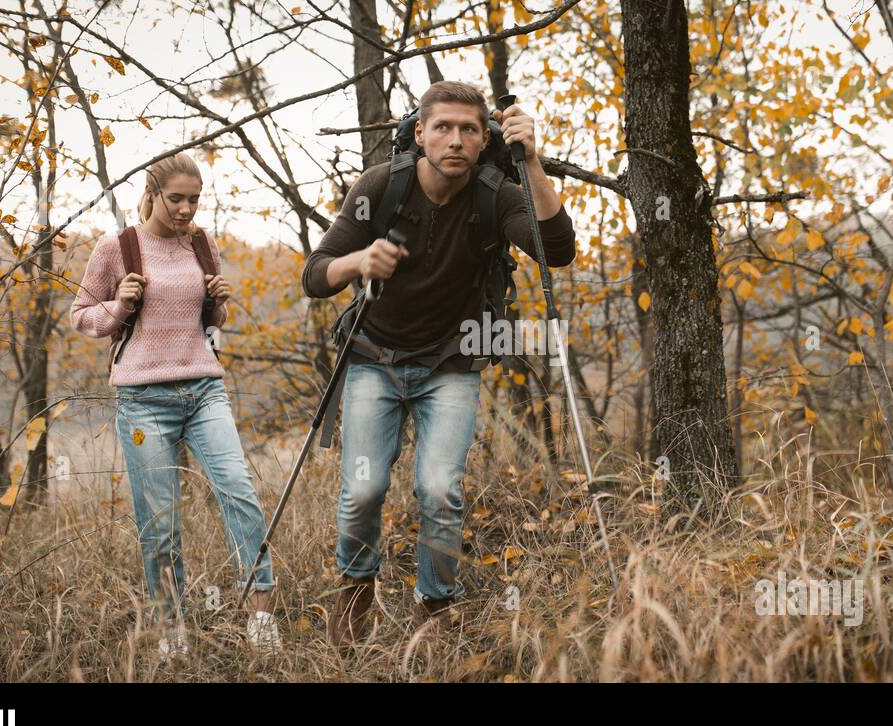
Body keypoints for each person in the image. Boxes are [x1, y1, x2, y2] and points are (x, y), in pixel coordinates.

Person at [302, 81, 576, 645]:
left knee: (438, 488)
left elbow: (557, 251)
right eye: (444, 128)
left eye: (469, 130)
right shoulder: (381, 186)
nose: (456, 140)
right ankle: (355, 600)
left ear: (484, 139)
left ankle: (436, 610)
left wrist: (532, 162)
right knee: (363, 489)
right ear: (420, 132)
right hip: (374, 357)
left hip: (451, 363)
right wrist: (359, 259)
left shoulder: (494, 194)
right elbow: (315, 275)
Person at [70, 152, 282, 658]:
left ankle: (261, 618)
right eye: (177, 199)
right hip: (143, 399)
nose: (186, 210)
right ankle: (172, 628)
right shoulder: (117, 247)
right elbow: (81, 316)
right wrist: (119, 304)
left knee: (240, 493)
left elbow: (210, 323)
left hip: (204, 389)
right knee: (160, 520)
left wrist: (220, 305)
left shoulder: (202, 244)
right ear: (152, 193)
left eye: (194, 199)